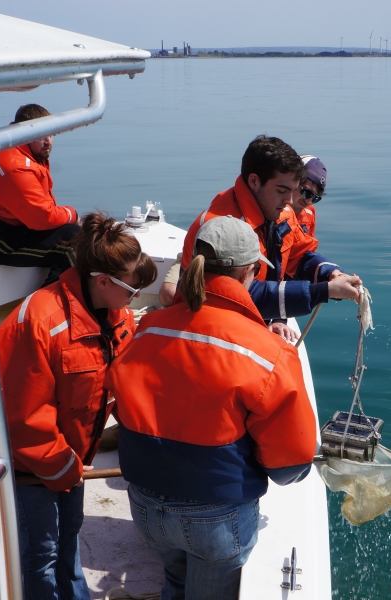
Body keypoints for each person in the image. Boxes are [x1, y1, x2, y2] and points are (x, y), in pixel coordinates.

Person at [108, 216, 317, 600]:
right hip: (216, 521)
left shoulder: (149, 328)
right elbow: (290, 464)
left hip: (145, 508)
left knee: (174, 580)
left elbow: (123, 408)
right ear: (250, 272)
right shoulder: (268, 353)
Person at [0, 213, 157, 600]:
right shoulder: (38, 323)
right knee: (42, 551)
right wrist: (63, 467)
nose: (135, 301)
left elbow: (119, 382)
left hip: (73, 459)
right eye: (132, 292)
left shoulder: (115, 315)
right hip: (32, 466)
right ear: (103, 281)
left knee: (70, 532)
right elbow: (22, 419)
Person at [181, 135, 360, 341]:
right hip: (211, 332)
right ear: (254, 181)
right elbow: (242, 294)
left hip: (250, 323)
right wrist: (323, 291)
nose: (291, 200)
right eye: (282, 190)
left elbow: (299, 255)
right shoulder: (221, 230)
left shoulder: (281, 212)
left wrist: (330, 273)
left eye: (294, 191)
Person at [0, 104, 80, 286]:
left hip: (11, 228)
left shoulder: (23, 152)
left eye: (51, 134)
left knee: (77, 235)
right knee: (75, 240)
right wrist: (72, 214)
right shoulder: (16, 164)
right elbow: (43, 217)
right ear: (22, 133)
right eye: (41, 136)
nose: (48, 141)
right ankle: (54, 303)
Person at [295, 155, 327, 237]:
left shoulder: (309, 213)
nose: (308, 202)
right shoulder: (271, 212)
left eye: (315, 198)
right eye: (307, 192)